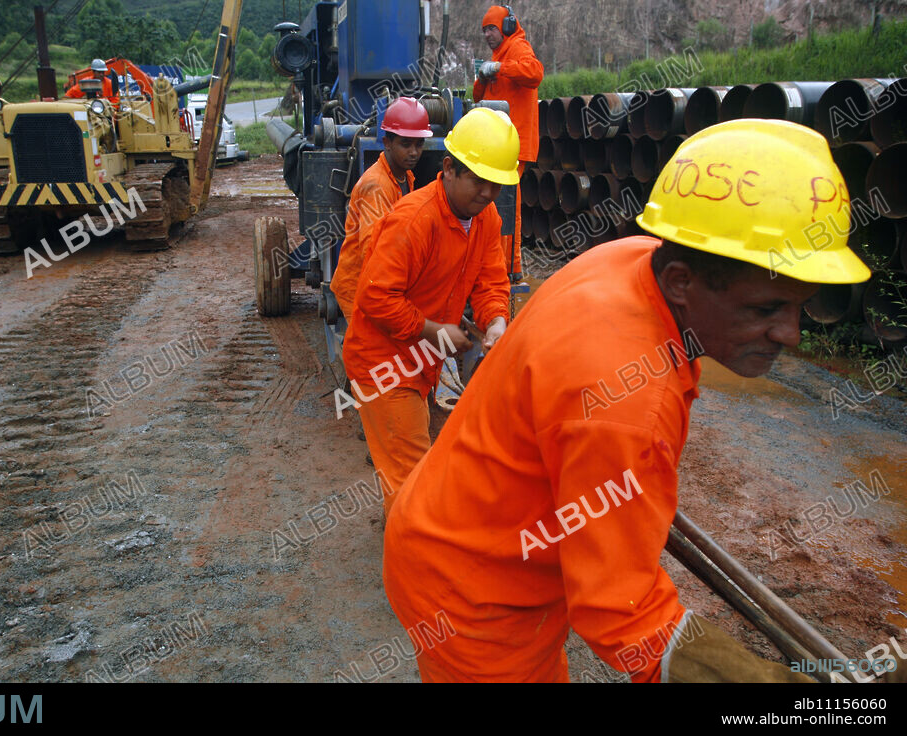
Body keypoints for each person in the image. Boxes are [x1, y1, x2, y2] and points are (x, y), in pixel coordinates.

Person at [382, 119, 873, 682]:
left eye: (798, 306)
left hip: (466, 529)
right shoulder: (627, 404)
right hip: (472, 595)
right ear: (684, 280)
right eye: (765, 309)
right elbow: (625, 617)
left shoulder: (635, 259)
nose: (791, 334)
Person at [341, 107, 517, 517]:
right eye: (479, 182)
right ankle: (415, 566)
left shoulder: (485, 217)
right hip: (382, 364)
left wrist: (496, 322)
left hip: (420, 362)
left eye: (497, 185)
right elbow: (375, 297)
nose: (488, 194)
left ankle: (406, 539)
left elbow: (491, 280)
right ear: (451, 168)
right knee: (416, 483)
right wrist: (435, 331)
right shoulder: (414, 220)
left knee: (412, 472)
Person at [330, 97, 431, 320]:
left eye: (419, 144)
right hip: (360, 288)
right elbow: (372, 250)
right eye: (406, 144)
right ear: (387, 142)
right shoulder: (377, 185)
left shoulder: (405, 177)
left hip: (379, 283)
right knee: (371, 352)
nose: (414, 152)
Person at [473, 4, 543, 281]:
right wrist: (482, 76)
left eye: (491, 28)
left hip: (514, 144)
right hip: (499, 144)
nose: (487, 34)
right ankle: (501, 266)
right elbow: (479, 96)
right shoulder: (496, 57)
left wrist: (501, 67)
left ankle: (508, 268)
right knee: (500, 204)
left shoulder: (517, 48)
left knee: (506, 205)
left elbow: (535, 72)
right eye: (484, 30)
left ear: (508, 26)